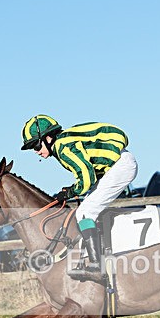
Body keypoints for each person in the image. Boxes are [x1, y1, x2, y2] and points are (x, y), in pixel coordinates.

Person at [21, 114, 137, 281]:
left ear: (48, 137)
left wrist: (69, 193)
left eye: (36, 144)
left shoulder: (62, 147)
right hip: (116, 165)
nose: (36, 151)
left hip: (120, 166)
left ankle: (97, 267)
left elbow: (87, 177)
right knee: (85, 211)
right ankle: (96, 257)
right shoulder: (63, 143)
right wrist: (71, 190)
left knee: (85, 212)